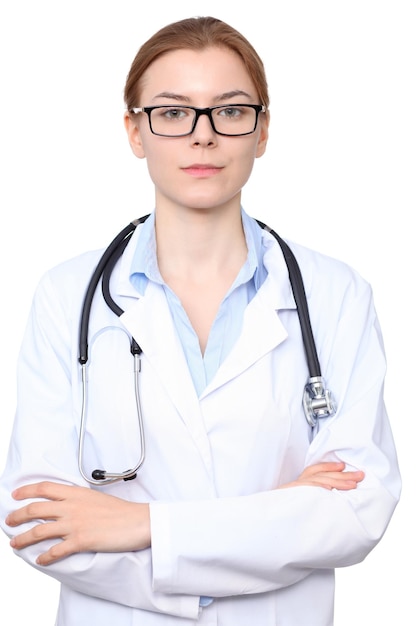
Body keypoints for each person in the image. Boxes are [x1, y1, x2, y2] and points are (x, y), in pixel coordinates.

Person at [0, 15, 401, 626]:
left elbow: (355, 513)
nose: (203, 136)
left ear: (262, 131)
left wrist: (140, 525)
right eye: (172, 111)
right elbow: (40, 524)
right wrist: (280, 516)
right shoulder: (66, 296)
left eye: (231, 110)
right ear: (135, 131)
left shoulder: (336, 295)